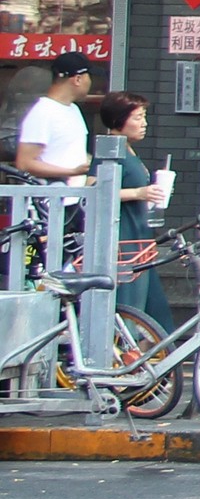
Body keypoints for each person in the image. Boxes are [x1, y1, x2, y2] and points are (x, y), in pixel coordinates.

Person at [94, 92, 169, 324]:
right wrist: (138, 193)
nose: (144, 123)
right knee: (131, 310)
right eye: (137, 117)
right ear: (118, 120)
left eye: (143, 117)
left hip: (139, 241)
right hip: (124, 243)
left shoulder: (129, 151)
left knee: (157, 315)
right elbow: (93, 192)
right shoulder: (109, 151)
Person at [14, 49, 95, 183]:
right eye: (89, 76)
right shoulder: (43, 112)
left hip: (73, 199)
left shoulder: (73, 109)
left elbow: (72, 151)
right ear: (78, 79)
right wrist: (72, 172)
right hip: (48, 200)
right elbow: (25, 163)